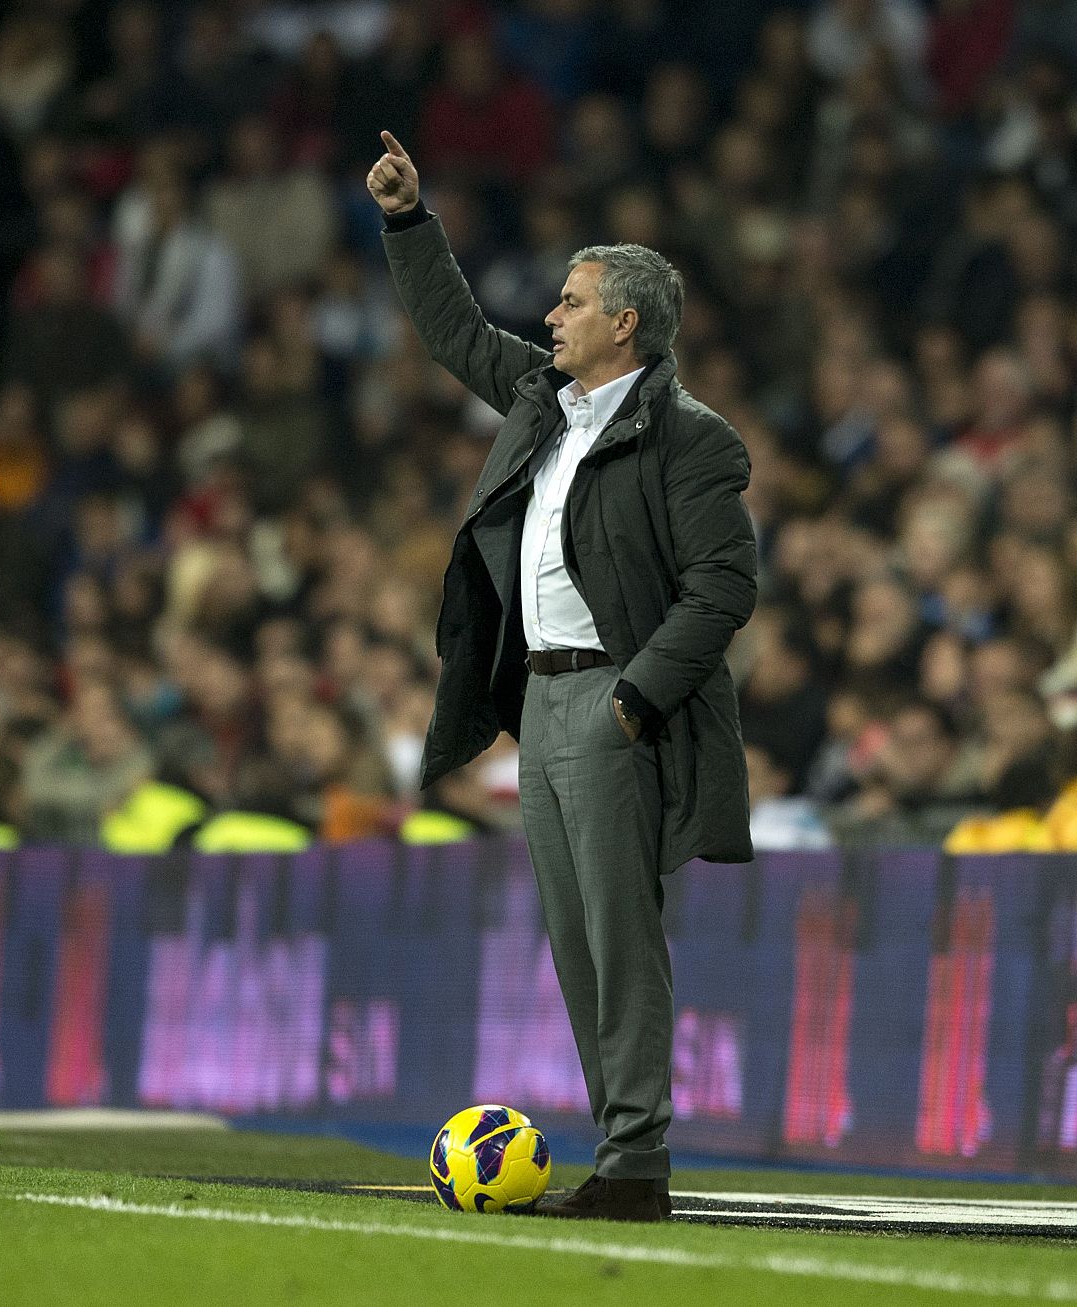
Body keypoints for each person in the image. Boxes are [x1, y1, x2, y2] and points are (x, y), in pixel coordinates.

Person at [368, 132, 756, 1221]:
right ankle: (620, 1149)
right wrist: (409, 222)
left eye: (572, 302)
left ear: (624, 321)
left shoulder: (691, 441)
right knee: (577, 942)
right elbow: (452, 333)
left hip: (611, 699)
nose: (550, 317)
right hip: (538, 701)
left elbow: (722, 587)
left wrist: (638, 696)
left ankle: (636, 1160)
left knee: (620, 937)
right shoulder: (545, 400)